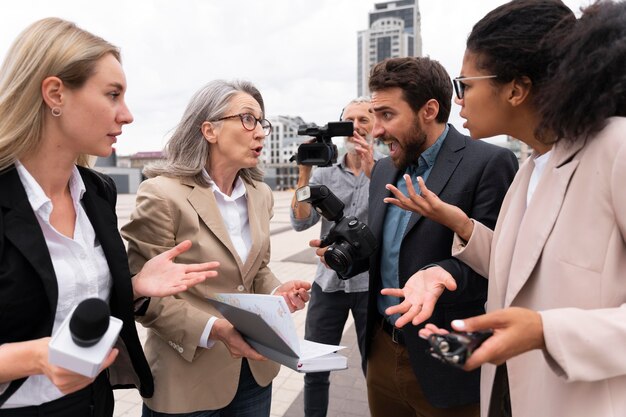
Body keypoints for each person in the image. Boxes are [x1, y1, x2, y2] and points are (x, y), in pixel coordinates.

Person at [383, 1, 626, 416]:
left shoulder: (616, 149)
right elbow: (527, 267)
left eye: (465, 85)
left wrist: (546, 331)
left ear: (515, 89)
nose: (457, 102)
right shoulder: (533, 166)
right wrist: (455, 232)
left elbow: (543, 310)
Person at [0, 18, 220, 416]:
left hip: (93, 404)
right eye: (113, 95)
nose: (128, 115)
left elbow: (75, 299)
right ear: (55, 94)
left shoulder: (97, 192)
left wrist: (135, 286)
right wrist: (35, 358)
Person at [322, 56, 518, 417]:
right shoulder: (383, 169)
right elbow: (385, 255)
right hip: (381, 351)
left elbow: (500, 265)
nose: (376, 130)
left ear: (429, 109)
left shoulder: (490, 163)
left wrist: (442, 276)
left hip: (449, 359)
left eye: (386, 115)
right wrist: (346, 255)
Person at [121, 79, 312, 416]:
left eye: (262, 122)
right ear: (209, 130)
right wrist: (217, 330)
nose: (261, 133)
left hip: (256, 372)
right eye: (247, 119)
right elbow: (144, 296)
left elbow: (255, 270)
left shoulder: (260, 195)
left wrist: (278, 290)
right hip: (186, 379)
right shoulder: (162, 194)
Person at [290, 96, 380, 417]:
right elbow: (301, 221)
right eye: (350, 120)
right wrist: (304, 174)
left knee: (376, 371)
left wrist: (375, 172)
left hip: (371, 285)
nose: (356, 127)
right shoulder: (325, 173)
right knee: (315, 369)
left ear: (376, 126)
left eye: (364, 120)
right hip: (328, 284)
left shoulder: (387, 168)